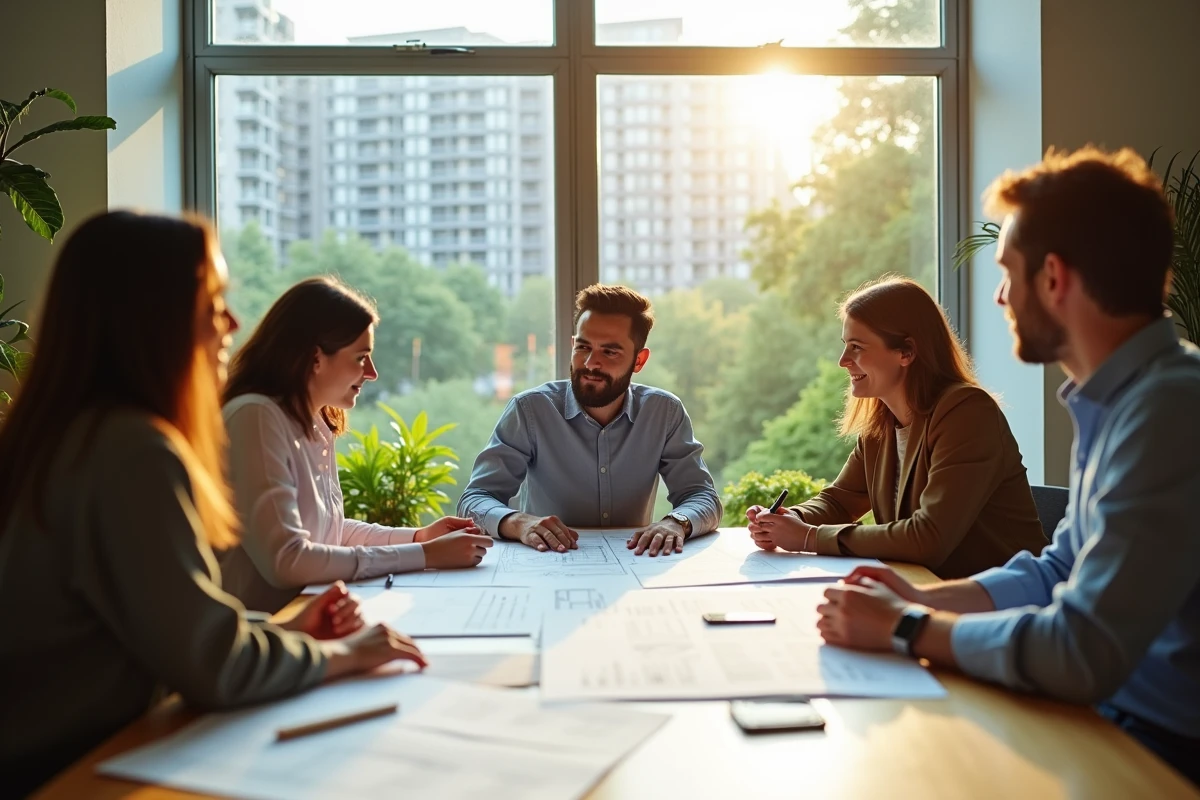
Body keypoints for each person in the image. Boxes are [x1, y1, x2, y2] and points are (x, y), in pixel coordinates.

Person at [0, 212, 425, 797]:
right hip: (72, 770)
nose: (233, 321)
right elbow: (211, 663)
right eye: (213, 300)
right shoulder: (134, 451)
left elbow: (156, 621)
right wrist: (346, 656)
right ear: (150, 317)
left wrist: (278, 630)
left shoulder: (70, 435)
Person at [817, 147, 1200, 786]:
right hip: (1109, 717)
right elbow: (1059, 567)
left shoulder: (1169, 411)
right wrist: (922, 597)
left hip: (1158, 748)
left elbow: (1082, 652)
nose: (1000, 296)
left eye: (1007, 273)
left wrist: (910, 626)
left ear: (1053, 278)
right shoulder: (1121, 400)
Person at [220, 277, 493, 613]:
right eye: (361, 357)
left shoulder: (314, 423)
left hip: (307, 616)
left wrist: (420, 537)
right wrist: (425, 556)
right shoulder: (255, 417)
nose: (372, 373)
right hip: (263, 635)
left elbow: (331, 533)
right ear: (315, 358)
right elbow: (287, 559)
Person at [746, 276, 1045, 579]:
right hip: (928, 592)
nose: (843, 361)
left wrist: (809, 537)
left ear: (906, 352)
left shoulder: (967, 412)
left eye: (857, 347)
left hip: (1002, 605)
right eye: (844, 346)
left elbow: (928, 538)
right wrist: (787, 519)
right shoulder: (882, 423)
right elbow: (840, 501)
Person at [459, 283, 722, 556]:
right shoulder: (530, 410)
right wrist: (517, 523)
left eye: (610, 352)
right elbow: (474, 500)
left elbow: (703, 497)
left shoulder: (664, 413)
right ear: (573, 345)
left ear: (639, 361)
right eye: (583, 347)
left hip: (633, 568)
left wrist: (676, 523)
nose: (590, 363)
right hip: (546, 567)